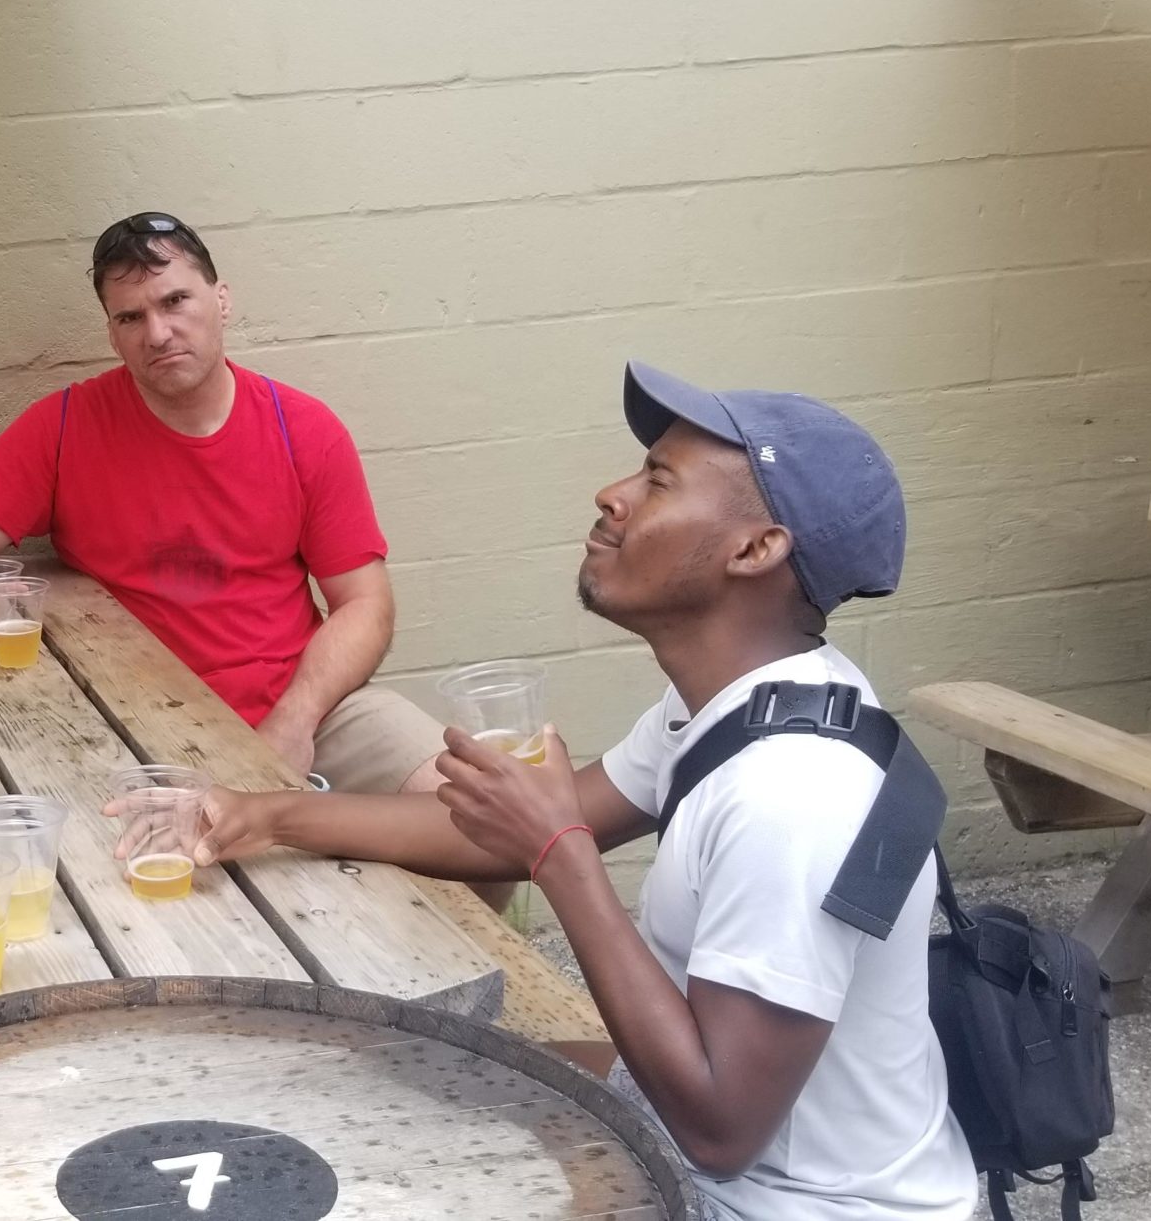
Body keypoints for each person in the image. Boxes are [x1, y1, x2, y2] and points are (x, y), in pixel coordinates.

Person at [156, 363, 977, 1219]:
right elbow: (496, 833)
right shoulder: (736, 706)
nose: (611, 495)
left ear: (755, 549)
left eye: (658, 480)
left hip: (772, 1203)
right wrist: (268, 815)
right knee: (361, 1083)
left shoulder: (793, 795)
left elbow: (721, 1131)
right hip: (692, 1142)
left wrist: (559, 854)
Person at [0, 211, 446, 795]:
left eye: (176, 301)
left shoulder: (305, 430)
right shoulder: (64, 428)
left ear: (221, 300)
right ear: (112, 335)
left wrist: (296, 719)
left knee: (470, 806)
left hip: (309, 706)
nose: (158, 333)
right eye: (131, 317)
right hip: (142, 727)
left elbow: (366, 604)